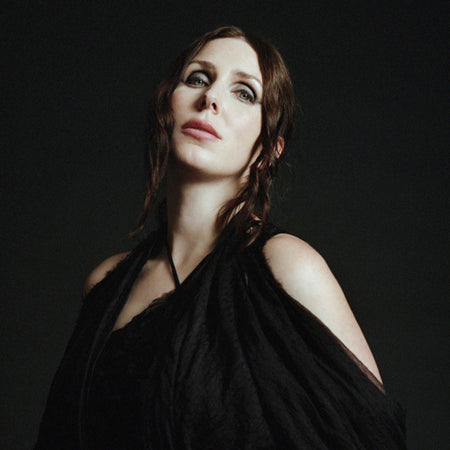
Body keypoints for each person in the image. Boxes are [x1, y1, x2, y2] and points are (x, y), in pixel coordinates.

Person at [35, 26, 406, 449]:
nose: (210, 98)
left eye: (244, 93)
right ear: (166, 104)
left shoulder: (285, 266)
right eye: (198, 78)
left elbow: (373, 436)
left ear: (269, 149)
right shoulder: (105, 285)